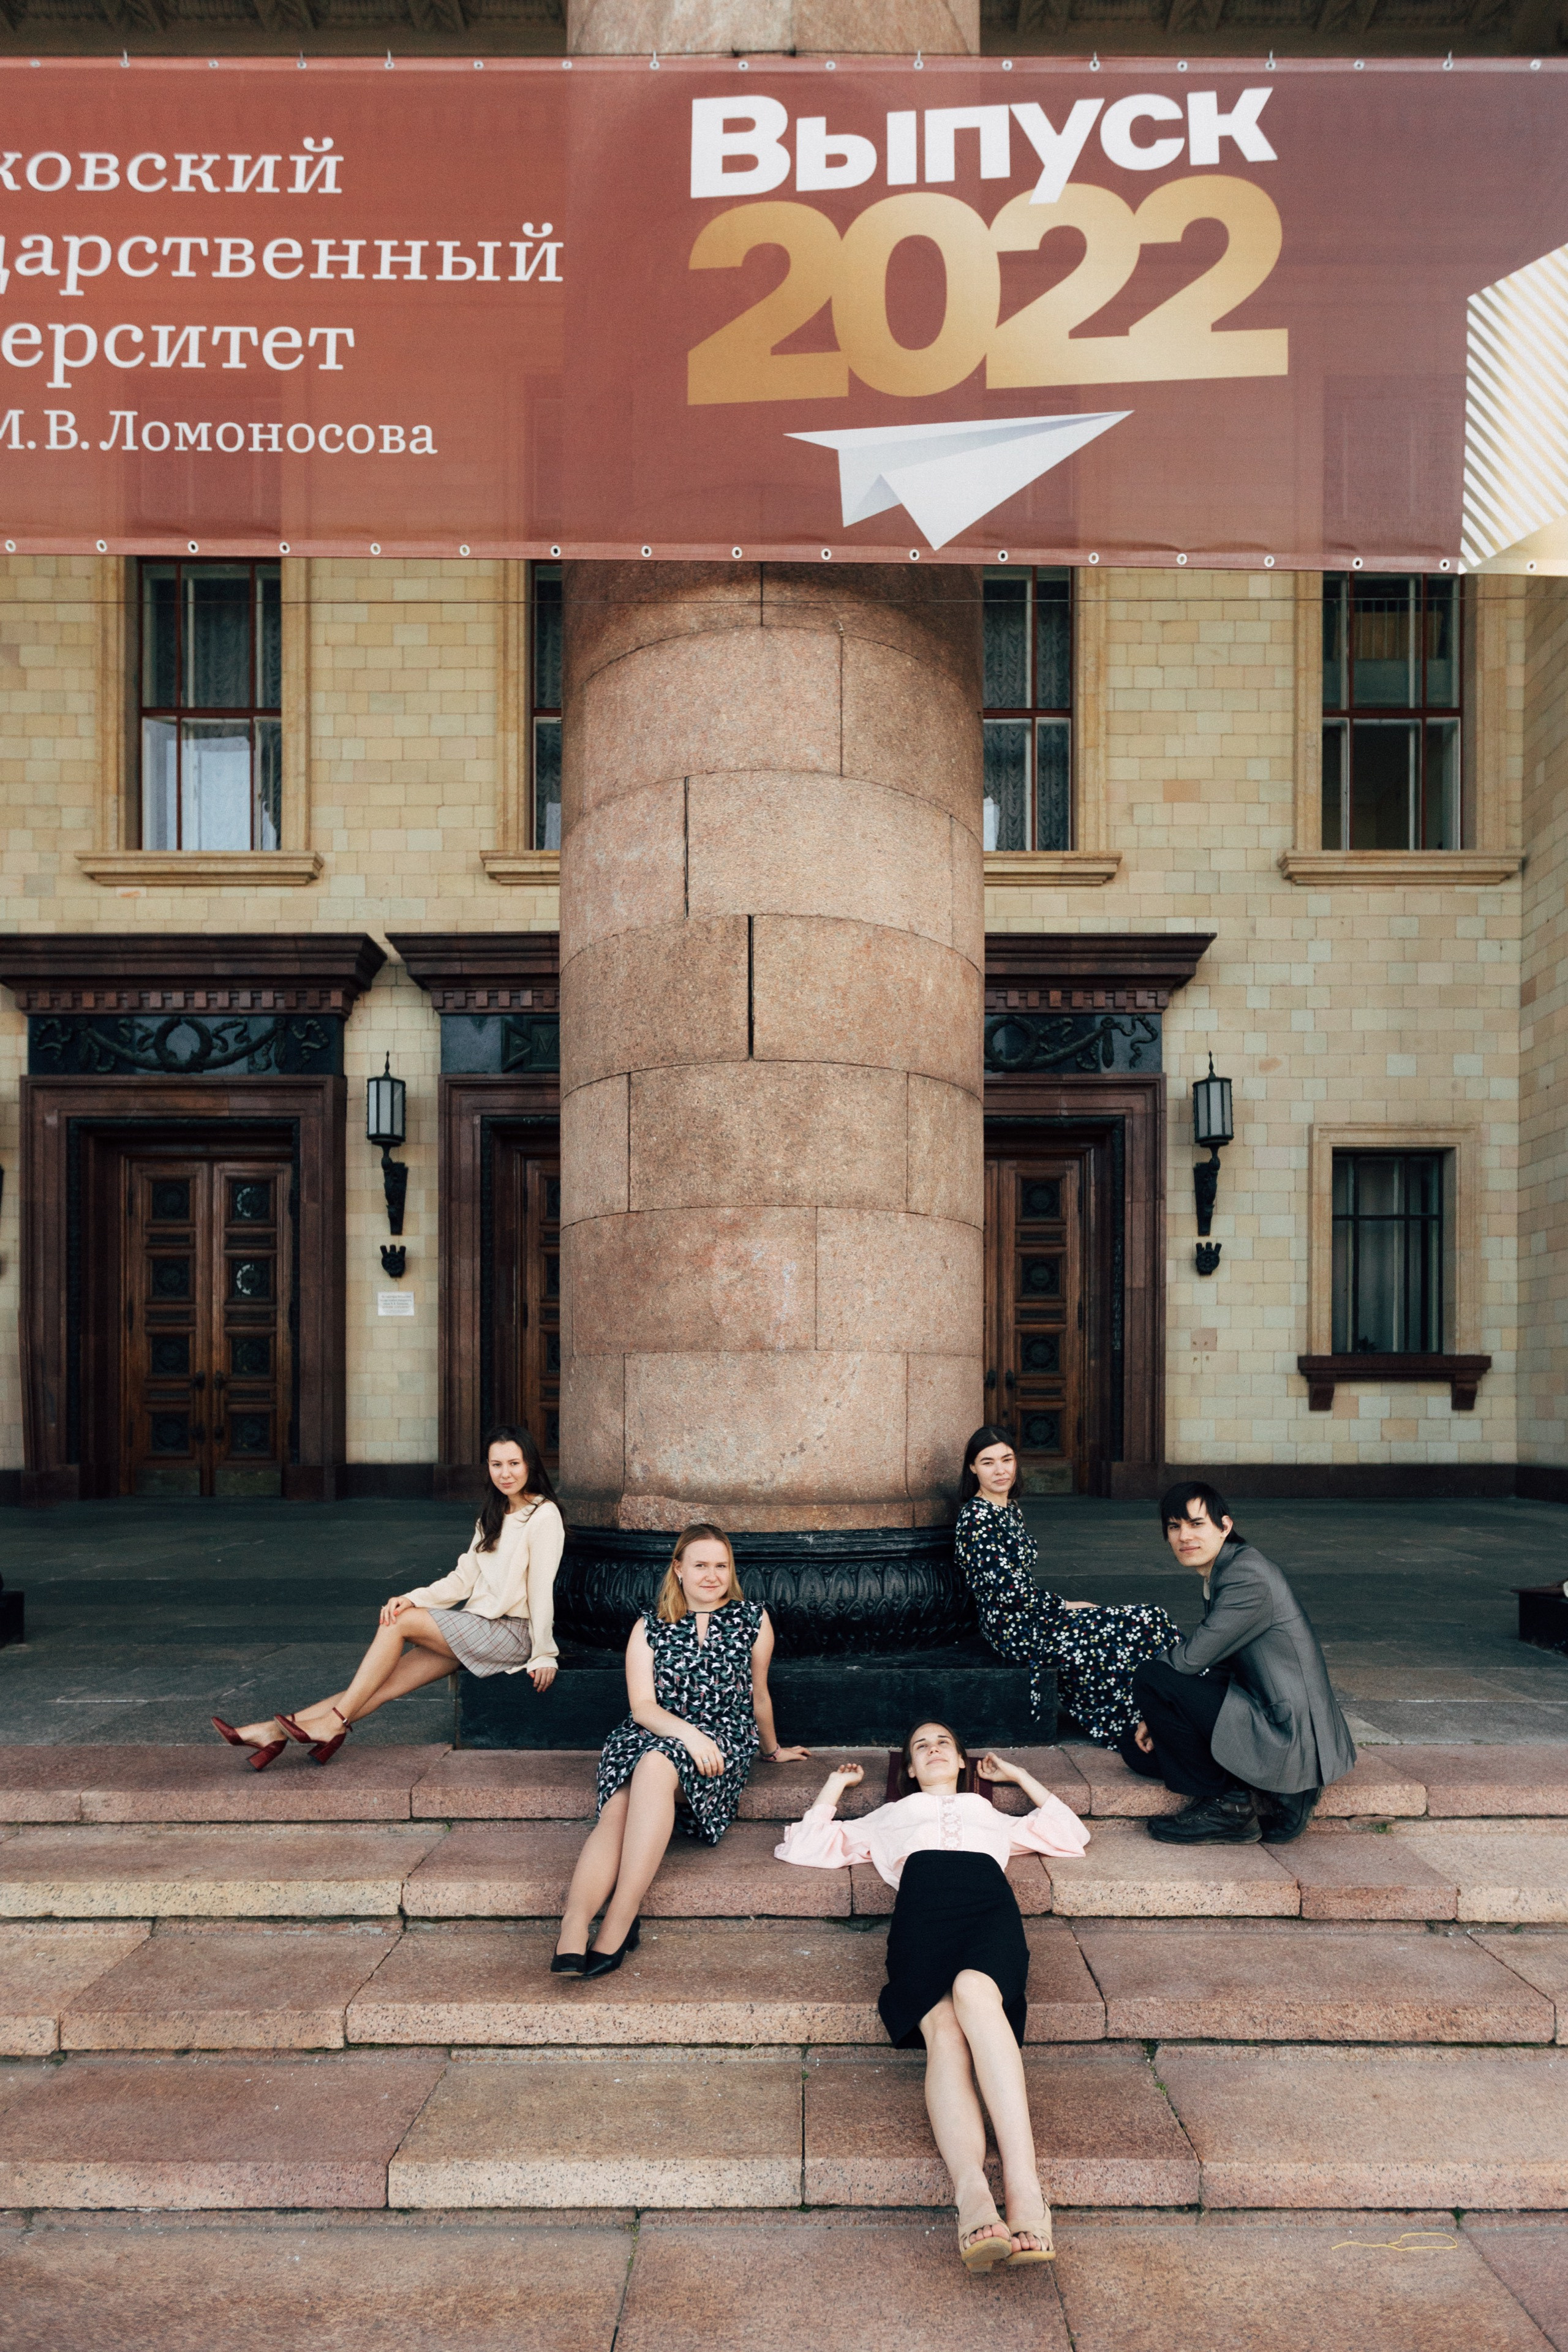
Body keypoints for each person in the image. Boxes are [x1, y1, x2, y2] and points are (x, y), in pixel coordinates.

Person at [777, 1721, 1088, 2271]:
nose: (934, 1748)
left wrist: (1018, 1776)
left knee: (974, 1989)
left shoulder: (988, 1813)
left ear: (963, 1762)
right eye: (921, 1746)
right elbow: (804, 1846)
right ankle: (972, 2195)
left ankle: (1025, 2187)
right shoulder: (889, 1817)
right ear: (911, 1769)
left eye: (944, 1742)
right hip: (922, 1922)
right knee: (942, 2027)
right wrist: (834, 1786)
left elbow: (1070, 1834)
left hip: (988, 1915)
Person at [211, 1423, 564, 1769]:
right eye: (496, 1464)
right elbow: (462, 1579)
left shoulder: (543, 1515)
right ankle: (272, 1732)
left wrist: (544, 1653)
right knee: (379, 1685)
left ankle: (332, 1723)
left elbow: (541, 1589)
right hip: (479, 1628)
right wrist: (413, 1597)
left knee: (399, 1622)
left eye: (514, 1463)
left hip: (512, 1633)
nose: (505, 1473)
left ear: (530, 1464)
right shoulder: (494, 1514)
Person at [553, 1522, 809, 1979]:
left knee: (656, 1765)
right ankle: (573, 1924)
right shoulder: (649, 1625)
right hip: (650, 1732)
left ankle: (621, 1916)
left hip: (721, 1740)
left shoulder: (753, 1619)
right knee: (620, 1805)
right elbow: (643, 1707)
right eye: (701, 1565)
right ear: (679, 1569)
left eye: (721, 1566)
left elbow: (759, 1695)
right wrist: (688, 1735)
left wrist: (771, 1750)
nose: (712, 1576)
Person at [1117, 1482, 1357, 1845]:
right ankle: (1250, 1786)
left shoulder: (1248, 1576)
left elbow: (1191, 1658)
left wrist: (1161, 1698)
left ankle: (1231, 1807)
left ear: (1225, 1526)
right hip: (1264, 1711)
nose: (1184, 1536)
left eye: (1197, 1524)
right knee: (1138, 1751)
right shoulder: (1228, 1567)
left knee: (1153, 1676)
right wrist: (1158, 1714)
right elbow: (1220, 1664)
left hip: (1288, 1732)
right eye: (1174, 1526)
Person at [954, 1425, 1182, 1741]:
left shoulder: (1009, 1509)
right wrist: (1064, 1606)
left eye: (1006, 1459)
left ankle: (1172, 1706)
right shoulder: (976, 1517)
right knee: (1136, 1623)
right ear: (972, 1468)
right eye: (987, 1462)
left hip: (1032, 1613)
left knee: (1151, 1618)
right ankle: (1144, 1721)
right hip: (1013, 1628)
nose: (1000, 1470)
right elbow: (1009, 1591)